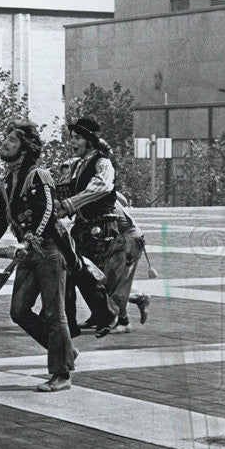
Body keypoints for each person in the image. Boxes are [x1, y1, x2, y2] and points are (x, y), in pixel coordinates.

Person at [0, 122, 78, 392]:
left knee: (53, 313)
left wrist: (29, 239)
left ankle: (61, 374)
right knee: (19, 311)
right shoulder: (7, 180)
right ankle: (64, 351)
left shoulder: (38, 175)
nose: (5, 143)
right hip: (29, 252)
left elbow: (47, 213)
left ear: (24, 149)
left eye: (11, 140)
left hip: (49, 250)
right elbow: (0, 219)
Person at [56, 117, 120, 337]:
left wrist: (70, 204)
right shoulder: (77, 164)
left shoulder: (103, 162)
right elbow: (66, 188)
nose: (72, 142)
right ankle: (72, 324)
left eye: (77, 138)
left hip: (100, 227)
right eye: (71, 138)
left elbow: (100, 187)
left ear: (89, 141)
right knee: (73, 272)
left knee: (89, 273)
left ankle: (108, 314)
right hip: (82, 227)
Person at [106, 191, 151, 333]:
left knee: (116, 285)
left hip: (129, 241)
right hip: (130, 238)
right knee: (111, 284)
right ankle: (139, 298)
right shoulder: (108, 193)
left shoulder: (101, 200)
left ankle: (124, 322)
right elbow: (124, 200)